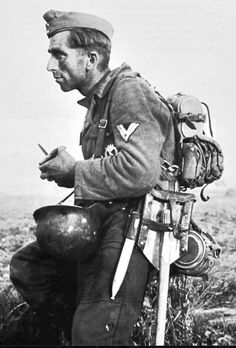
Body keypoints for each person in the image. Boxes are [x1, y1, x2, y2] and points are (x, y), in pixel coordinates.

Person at [10, 9, 176, 346]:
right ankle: (79, 324)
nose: (50, 66)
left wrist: (75, 171)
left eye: (59, 54)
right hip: (105, 219)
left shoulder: (128, 91)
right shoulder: (97, 105)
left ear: (91, 58)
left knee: (95, 333)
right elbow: (111, 169)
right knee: (30, 266)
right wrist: (70, 174)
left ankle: (95, 327)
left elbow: (141, 170)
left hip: (134, 227)